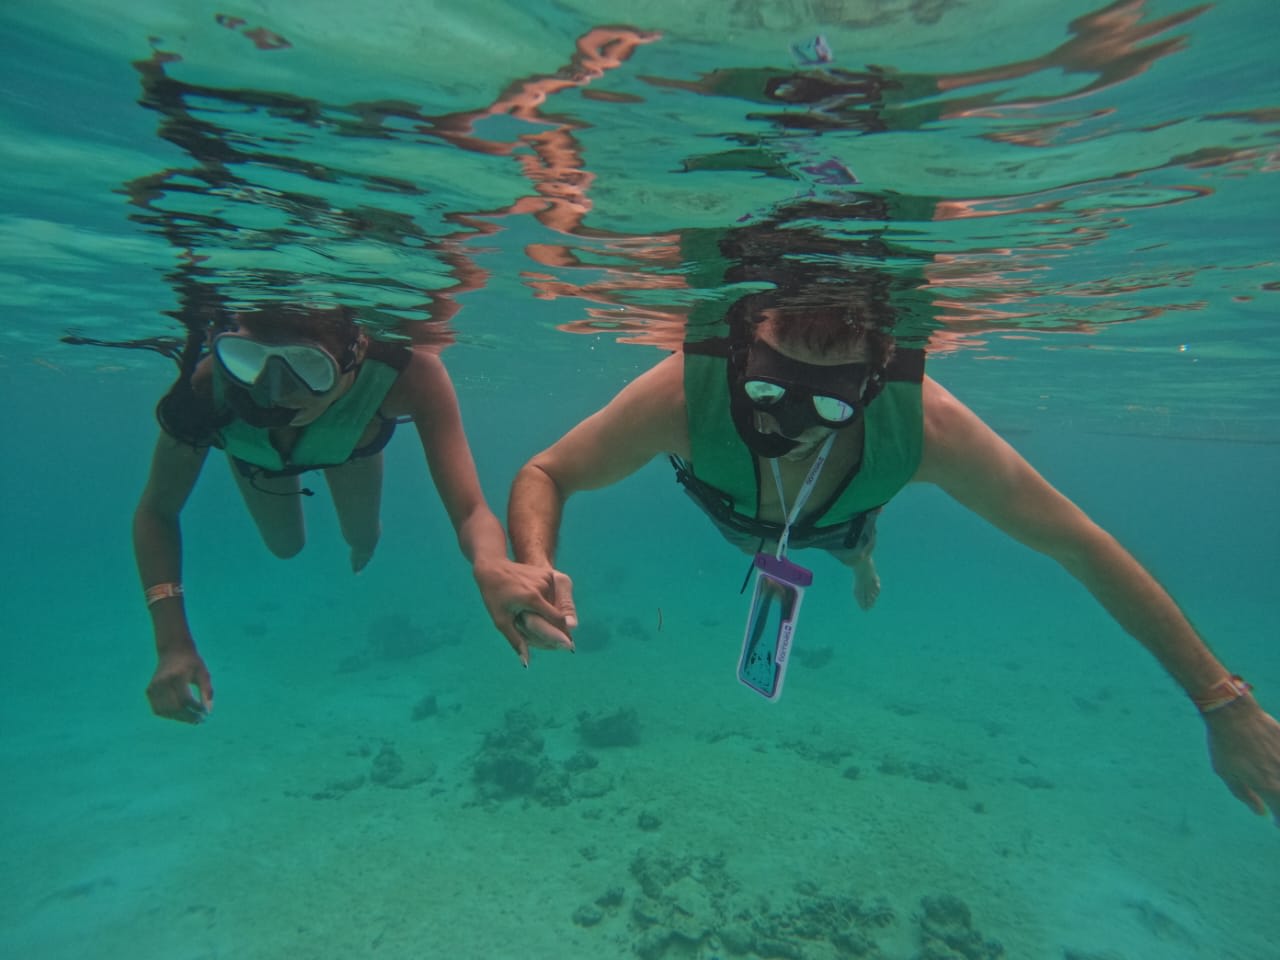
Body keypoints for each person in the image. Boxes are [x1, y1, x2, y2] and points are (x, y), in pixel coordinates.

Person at [504, 287, 1280, 824]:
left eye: (833, 404)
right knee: (775, 535)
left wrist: (1224, 700)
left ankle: (863, 562)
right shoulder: (680, 395)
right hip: (735, 518)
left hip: (844, 517)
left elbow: (1078, 543)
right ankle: (849, 553)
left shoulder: (927, 427)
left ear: (875, 383)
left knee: (850, 540)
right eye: (772, 391)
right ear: (741, 353)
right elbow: (548, 471)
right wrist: (534, 558)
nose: (797, 423)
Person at [134, 302, 562, 723]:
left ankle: (362, 539)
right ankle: (295, 446)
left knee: (362, 536)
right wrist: (172, 643)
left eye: (308, 367)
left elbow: (470, 509)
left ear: (355, 355)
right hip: (258, 458)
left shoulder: (410, 374)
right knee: (285, 546)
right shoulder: (206, 388)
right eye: (248, 360)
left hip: (350, 446)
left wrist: (490, 563)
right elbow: (156, 510)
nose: (273, 392)